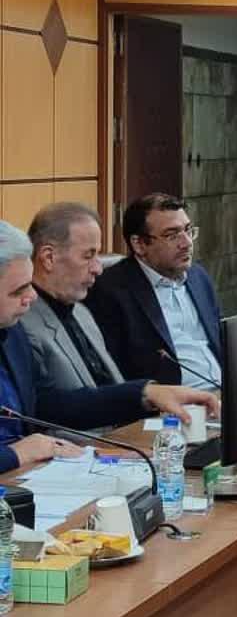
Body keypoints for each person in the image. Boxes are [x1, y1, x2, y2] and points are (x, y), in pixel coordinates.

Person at [0, 220, 217, 473]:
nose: (32, 296)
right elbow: (26, 442)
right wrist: (16, 453)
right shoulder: (24, 325)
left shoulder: (11, 333)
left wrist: (146, 393)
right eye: (18, 290)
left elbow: (46, 406)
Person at [85, 193, 222, 389]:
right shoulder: (110, 292)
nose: (187, 243)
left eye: (188, 230)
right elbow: (113, 376)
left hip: (224, 393)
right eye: (172, 235)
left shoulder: (198, 276)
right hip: (174, 402)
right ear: (139, 244)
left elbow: (219, 342)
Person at [22, 202, 124, 399]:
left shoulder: (82, 312)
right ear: (49, 257)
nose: (98, 269)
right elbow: (47, 409)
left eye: (98, 255)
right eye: (88, 256)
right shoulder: (22, 326)